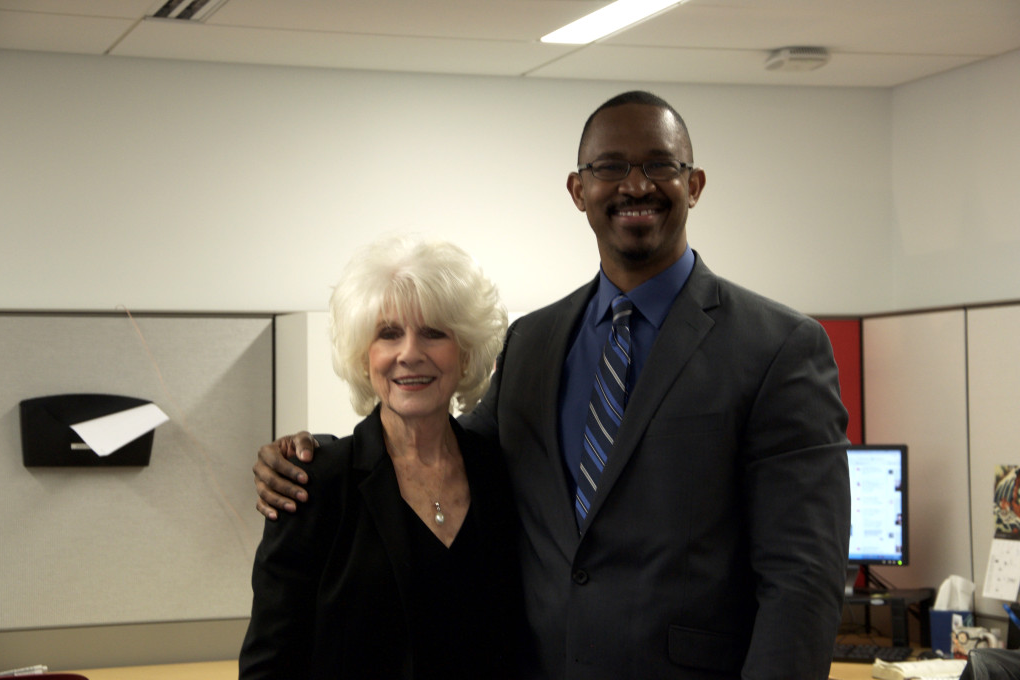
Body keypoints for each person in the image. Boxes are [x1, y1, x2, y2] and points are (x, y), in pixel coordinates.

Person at [254, 91, 851, 679]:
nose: (635, 185)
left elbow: (803, 575)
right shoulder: (533, 343)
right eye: (609, 167)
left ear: (693, 185)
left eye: (659, 165)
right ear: (578, 190)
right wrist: (308, 458)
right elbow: (441, 444)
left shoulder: (777, 348)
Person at [239, 237, 519, 679]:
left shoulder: (501, 473)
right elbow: (269, 665)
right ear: (363, 356)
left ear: (465, 353)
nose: (410, 353)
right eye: (389, 334)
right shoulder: (311, 484)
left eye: (433, 333)